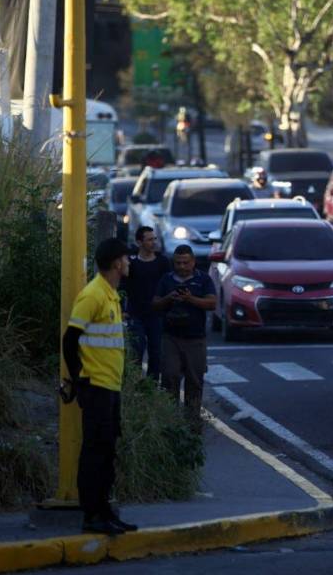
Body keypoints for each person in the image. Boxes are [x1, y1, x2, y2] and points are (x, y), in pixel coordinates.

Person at [62, 238, 138, 535]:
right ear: (117, 263)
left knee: (106, 450)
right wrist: (79, 379)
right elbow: (70, 339)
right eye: (126, 258)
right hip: (95, 387)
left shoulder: (111, 296)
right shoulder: (93, 295)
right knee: (95, 452)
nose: (130, 262)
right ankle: (91, 514)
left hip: (110, 386)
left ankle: (105, 512)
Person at [152, 245, 216, 426]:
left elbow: (212, 303)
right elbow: (155, 303)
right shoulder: (166, 279)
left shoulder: (203, 279)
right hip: (171, 337)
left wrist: (190, 299)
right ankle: (170, 421)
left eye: (185, 263)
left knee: (194, 381)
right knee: (169, 377)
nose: (181, 267)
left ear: (193, 262)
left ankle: (192, 423)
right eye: (178, 263)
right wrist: (169, 298)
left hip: (195, 338)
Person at [122, 226, 170, 380]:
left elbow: (168, 285)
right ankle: (135, 384)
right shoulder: (131, 263)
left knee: (156, 353)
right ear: (139, 242)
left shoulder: (162, 262)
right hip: (136, 313)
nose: (153, 242)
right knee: (137, 349)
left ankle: (151, 387)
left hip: (157, 314)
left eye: (154, 239)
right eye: (149, 239)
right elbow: (124, 287)